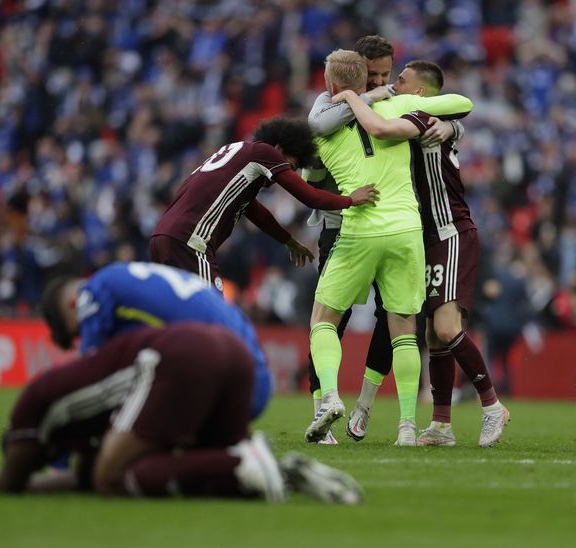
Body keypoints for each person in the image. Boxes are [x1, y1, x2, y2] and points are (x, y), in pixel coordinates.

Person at [0, 323, 363, 503]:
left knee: (111, 478)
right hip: (228, 351)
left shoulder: (34, 407)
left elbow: (12, 479)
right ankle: (276, 471)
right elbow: (75, 479)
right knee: (162, 470)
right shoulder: (76, 428)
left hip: (180, 361)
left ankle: (239, 461)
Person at [332, 60, 509, 447]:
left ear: (421, 93)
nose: (393, 84)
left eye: (401, 80)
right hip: (423, 237)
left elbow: (380, 127)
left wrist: (348, 96)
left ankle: (493, 407)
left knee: (446, 329)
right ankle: (441, 426)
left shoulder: (422, 116)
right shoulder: (425, 115)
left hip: (451, 232)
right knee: (432, 333)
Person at [304, 49, 472, 446]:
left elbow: (310, 176)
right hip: (407, 230)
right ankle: (408, 427)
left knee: (323, 320)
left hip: (358, 230)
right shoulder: (401, 104)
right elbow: (460, 103)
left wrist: (348, 102)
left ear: (330, 87)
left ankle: (328, 397)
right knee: (403, 332)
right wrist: (447, 125)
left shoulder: (322, 131)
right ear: (368, 81)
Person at [149, 117, 378, 290]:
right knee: (213, 318)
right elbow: (310, 196)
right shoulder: (264, 152)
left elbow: (256, 212)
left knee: (177, 317)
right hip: (190, 242)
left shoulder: (238, 153)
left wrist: (288, 241)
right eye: (291, 164)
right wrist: (350, 199)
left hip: (164, 236)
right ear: (279, 149)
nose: (289, 171)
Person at [41, 261, 271, 420]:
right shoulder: (130, 279)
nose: (85, 335)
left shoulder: (92, 292)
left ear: (73, 306)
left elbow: (89, 377)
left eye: (78, 332)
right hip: (256, 377)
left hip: (226, 380)